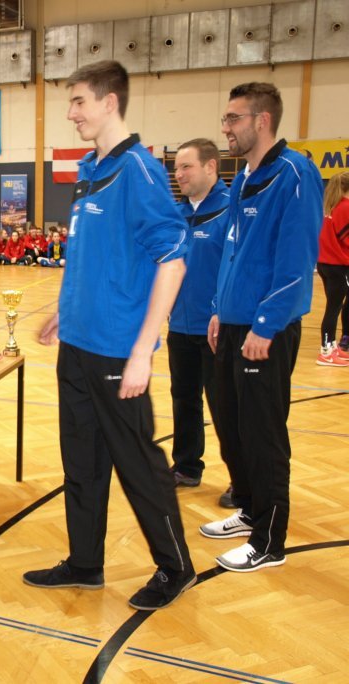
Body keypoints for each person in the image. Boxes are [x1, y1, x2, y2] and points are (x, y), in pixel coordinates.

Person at [22, 60, 195, 611]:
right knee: (82, 461)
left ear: (109, 102)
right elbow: (92, 254)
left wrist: (143, 350)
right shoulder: (91, 168)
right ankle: (85, 562)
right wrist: (65, 312)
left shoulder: (138, 171)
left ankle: (176, 567)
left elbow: (173, 260)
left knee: (137, 463)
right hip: (77, 344)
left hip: (118, 350)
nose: (71, 113)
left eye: (78, 101)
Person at [201, 83, 323, 572]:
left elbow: (297, 263)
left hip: (263, 331)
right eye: (225, 118)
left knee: (263, 432)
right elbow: (232, 252)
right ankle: (251, 510)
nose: (226, 128)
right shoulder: (244, 178)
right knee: (233, 426)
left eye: (233, 118)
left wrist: (266, 325)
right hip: (232, 325)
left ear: (262, 120)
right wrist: (218, 308)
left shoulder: (295, 174)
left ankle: (270, 541)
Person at [166, 139, 230, 488]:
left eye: (186, 166)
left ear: (210, 167)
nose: (178, 174)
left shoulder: (231, 210)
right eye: (176, 168)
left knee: (226, 406)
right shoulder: (175, 216)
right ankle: (187, 466)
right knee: (184, 399)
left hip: (219, 330)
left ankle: (242, 480)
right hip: (180, 326)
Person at [315, 171, 349, 366]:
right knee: (333, 309)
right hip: (338, 266)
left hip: (325, 264)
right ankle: (326, 351)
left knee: (332, 307)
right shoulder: (345, 207)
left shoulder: (331, 206)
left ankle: (332, 347)